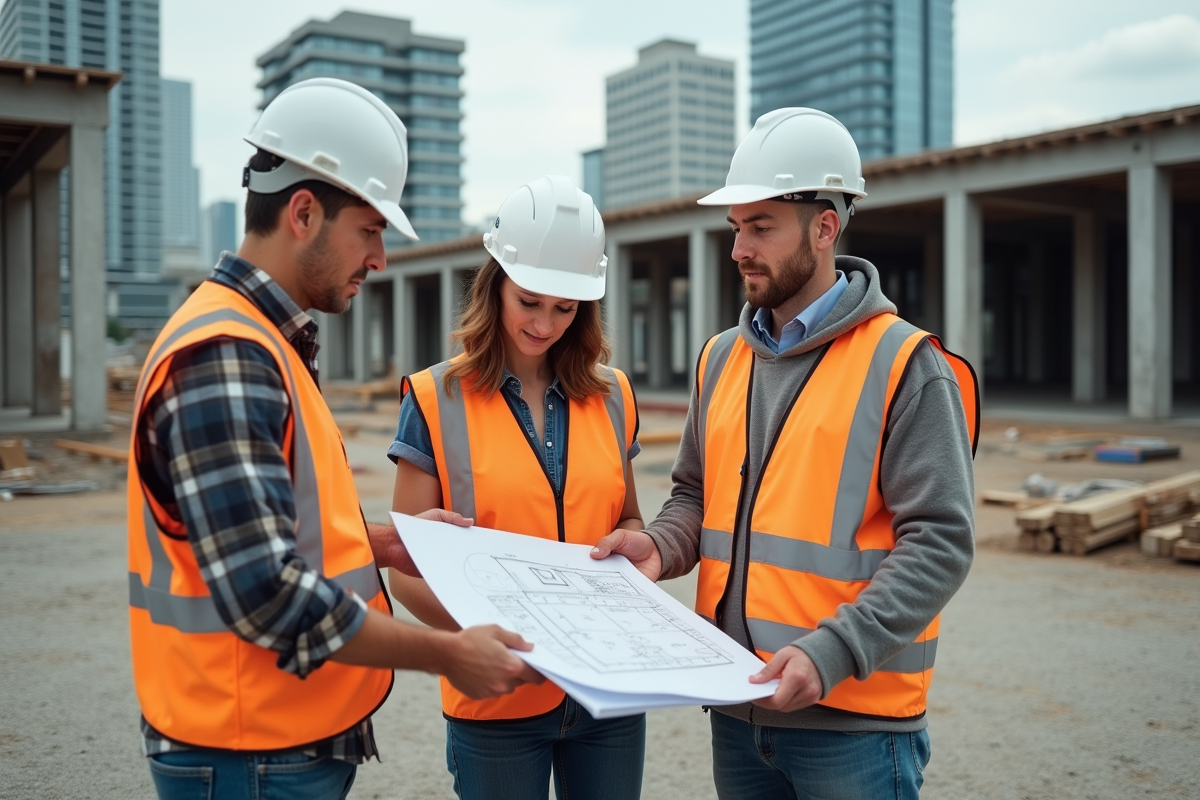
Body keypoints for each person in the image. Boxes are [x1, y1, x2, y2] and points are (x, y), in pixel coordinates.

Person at [127, 77, 541, 800]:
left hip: (267, 744)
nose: (379, 259)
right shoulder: (226, 355)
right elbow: (266, 593)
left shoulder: (263, 343)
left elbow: (279, 526)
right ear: (304, 212)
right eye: (371, 230)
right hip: (248, 750)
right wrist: (451, 655)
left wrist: (387, 542)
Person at [592, 107, 980, 799]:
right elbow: (694, 496)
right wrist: (659, 547)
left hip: (854, 727)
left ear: (825, 227)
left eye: (761, 227)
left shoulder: (905, 364)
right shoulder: (720, 359)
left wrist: (831, 653)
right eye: (737, 227)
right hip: (739, 709)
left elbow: (942, 542)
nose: (740, 247)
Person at [388, 175, 646, 800]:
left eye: (566, 308)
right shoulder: (434, 398)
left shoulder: (613, 396)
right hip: (497, 702)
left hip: (607, 694)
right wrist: (489, 648)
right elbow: (406, 569)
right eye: (530, 301)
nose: (545, 323)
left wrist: (628, 548)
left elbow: (633, 520)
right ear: (495, 282)